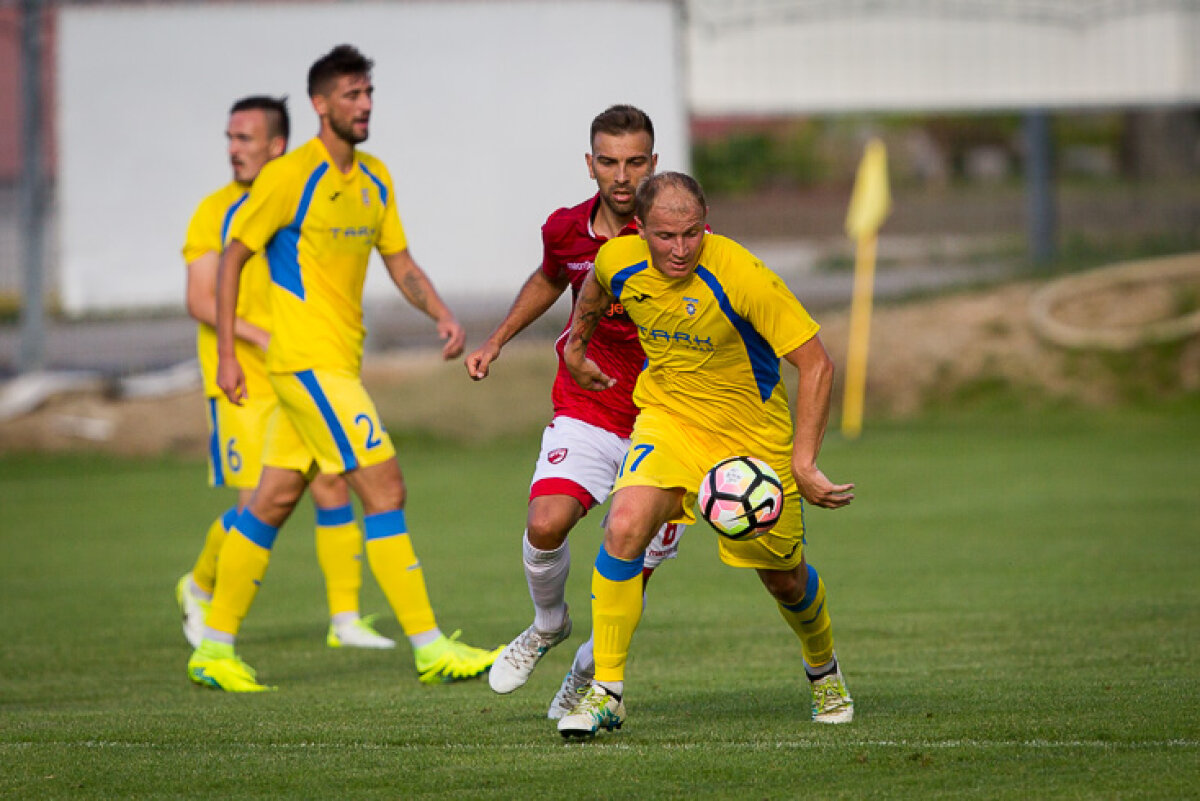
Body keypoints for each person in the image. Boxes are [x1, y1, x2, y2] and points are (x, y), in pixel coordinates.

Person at [187, 44, 499, 692]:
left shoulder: (375, 177)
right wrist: (223, 355)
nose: (364, 106)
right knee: (384, 487)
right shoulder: (288, 176)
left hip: (333, 363)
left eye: (368, 94)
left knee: (271, 501)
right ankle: (430, 645)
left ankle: (213, 648)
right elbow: (234, 256)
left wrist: (439, 311)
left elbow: (401, 261)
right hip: (307, 365)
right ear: (320, 104)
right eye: (351, 95)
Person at [558, 171, 856, 739]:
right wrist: (576, 345)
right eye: (666, 236)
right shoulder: (620, 258)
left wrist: (803, 463)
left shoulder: (741, 275)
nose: (679, 249)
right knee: (622, 528)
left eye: (691, 234)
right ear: (639, 229)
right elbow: (596, 283)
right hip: (670, 423)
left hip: (752, 442)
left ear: (706, 223)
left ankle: (823, 668)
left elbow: (817, 364)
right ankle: (608, 693)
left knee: (784, 581)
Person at [464, 105, 686, 719]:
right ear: (590, 165)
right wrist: (496, 340)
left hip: (668, 422)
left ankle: (589, 674)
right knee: (545, 524)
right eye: (609, 162)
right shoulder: (566, 229)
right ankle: (547, 623)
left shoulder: (673, 234)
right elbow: (548, 276)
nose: (622, 175)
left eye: (635, 161)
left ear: (653, 164)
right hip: (588, 403)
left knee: (625, 574)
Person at [176, 95, 394, 653]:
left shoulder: (307, 194)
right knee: (258, 504)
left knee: (330, 481)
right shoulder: (213, 211)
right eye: (229, 138)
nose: (232, 150)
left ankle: (345, 621)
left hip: (299, 374)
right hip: (243, 384)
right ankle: (200, 588)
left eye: (243, 139)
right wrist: (258, 338)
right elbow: (201, 300)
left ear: (277, 145)